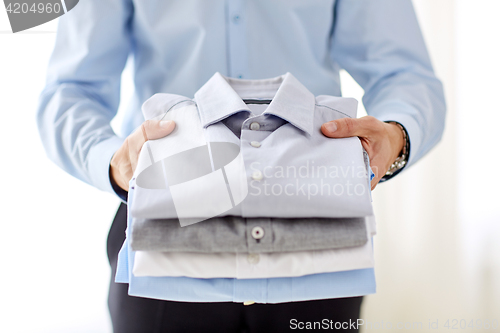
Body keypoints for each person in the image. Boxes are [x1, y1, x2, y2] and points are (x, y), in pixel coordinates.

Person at [36, 0, 445, 332]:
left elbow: (405, 74)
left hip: (317, 233)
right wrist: (112, 162)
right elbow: (71, 89)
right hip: (164, 218)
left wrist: (396, 136)